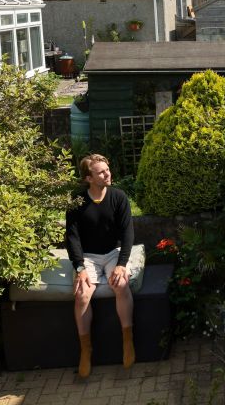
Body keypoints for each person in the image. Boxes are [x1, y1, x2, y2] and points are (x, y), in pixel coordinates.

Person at [65, 154, 135, 378]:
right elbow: (72, 237)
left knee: (121, 285)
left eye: (107, 169)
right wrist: (79, 268)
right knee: (81, 294)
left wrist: (122, 264)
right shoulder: (76, 201)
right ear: (89, 178)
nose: (108, 174)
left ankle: (127, 340)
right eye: (101, 172)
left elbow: (127, 233)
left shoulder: (118, 197)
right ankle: (85, 350)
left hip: (113, 253)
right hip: (88, 256)